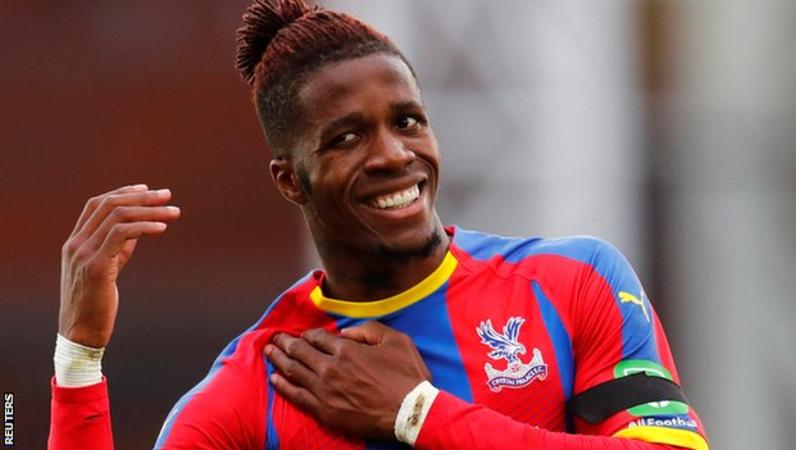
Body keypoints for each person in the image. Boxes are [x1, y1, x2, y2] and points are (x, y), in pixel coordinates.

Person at [48, 0, 709, 449]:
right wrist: (79, 358)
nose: (394, 155)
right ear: (290, 180)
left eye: (408, 121)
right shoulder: (258, 387)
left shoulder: (575, 282)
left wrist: (418, 413)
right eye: (347, 138)